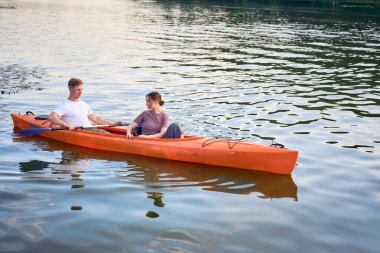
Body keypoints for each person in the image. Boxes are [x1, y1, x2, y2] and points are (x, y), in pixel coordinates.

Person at [48, 78, 122, 131]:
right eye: (78, 90)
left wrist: (111, 124)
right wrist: (66, 125)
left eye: (81, 89)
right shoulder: (65, 105)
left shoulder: (84, 103)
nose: (80, 92)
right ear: (70, 89)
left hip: (90, 129)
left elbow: (95, 119)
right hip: (79, 131)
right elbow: (52, 117)